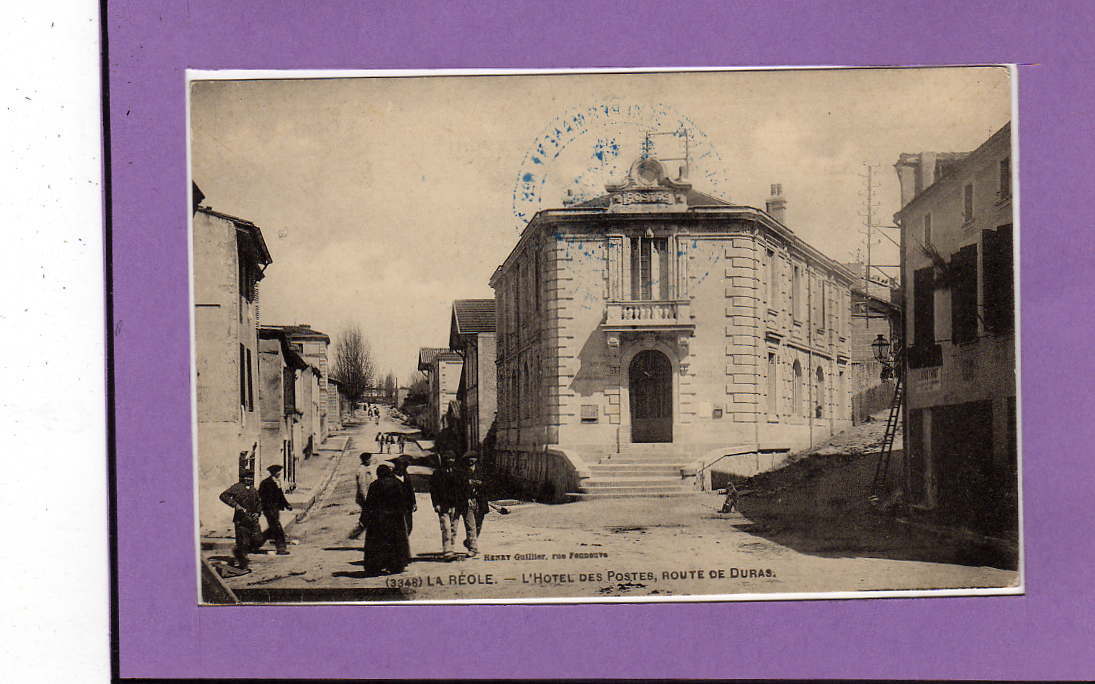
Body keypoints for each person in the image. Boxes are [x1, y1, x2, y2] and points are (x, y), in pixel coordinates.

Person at [361, 464, 412, 576]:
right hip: (395, 519)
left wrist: (364, 519)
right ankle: (395, 565)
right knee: (395, 542)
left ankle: (376, 566)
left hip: (378, 519)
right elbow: (404, 501)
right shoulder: (397, 484)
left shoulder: (374, 485)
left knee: (377, 543)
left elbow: (368, 504)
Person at [219, 473, 263, 571]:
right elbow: (223, 496)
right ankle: (243, 564)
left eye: (250, 477)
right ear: (243, 478)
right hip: (241, 519)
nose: (249, 479)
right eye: (247, 477)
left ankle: (240, 555)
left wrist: (258, 512)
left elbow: (259, 502)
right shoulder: (236, 487)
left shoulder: (253, 489)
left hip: (252, 519)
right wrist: (235, 505)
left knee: (255, 540)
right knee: (242, 541)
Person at [429, 451, 468, 559]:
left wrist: (463, 503)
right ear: (444, 460)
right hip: (443, 505)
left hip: (456, 504)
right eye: (448, 458)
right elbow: (433, 490)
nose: (450, 460)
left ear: (455, 460)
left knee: (453, 529)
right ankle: (447, 550)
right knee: (446, 528)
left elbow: (463, 489)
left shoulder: (459, 473)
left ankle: (451, 548)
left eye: (452, 458)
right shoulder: (437, 473)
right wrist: (435, 504)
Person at [458, 452, 489, 557]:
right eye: (469, 458)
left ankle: (469, 542)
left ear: (476, 459)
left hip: (481, 502)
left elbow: (489, 484)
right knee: (470, 526)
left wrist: (481, 484)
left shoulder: (482, 470)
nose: (471, 460)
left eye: (473, 458)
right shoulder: (461, 471)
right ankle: (473, 548)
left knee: (478, 525)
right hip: (467, 502)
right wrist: (467, 483)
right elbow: (458, 486)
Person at [258, 464, 293, 555]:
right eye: (279, 472)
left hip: (275, 509)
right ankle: (281, 548)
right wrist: (266, 508)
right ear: (274, 473)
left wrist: (287, 505)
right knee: (277, 529)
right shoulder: (265, 483)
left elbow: (281, 496)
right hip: (269, 510)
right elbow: (261, 497)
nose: (280, 473)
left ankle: (254, 545)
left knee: (272, 529)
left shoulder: (277, 482)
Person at [348, 453, 375, 539]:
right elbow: (362, 485)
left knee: (367, 516)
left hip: (367, 497)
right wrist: (366, 498)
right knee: (368, 517)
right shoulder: (362, 470)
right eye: (370, 459)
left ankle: (355, 534)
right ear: (366, 460)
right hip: (365, 497)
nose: (372, 460)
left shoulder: (365, 468)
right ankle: (355, 534)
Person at [392, 460, 417, 535]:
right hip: (396, 506)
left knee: (409, 525)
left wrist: (414, 503)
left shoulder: (406, 476)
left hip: (407, 506)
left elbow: (411, 491)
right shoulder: (392, 478)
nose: (402, 469)